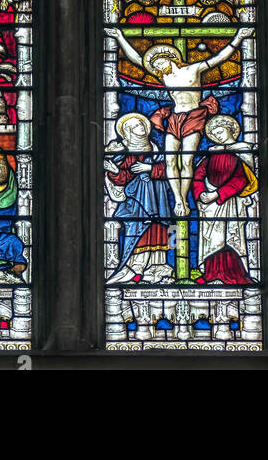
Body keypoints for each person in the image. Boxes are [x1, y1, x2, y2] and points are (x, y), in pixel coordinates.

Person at [110, 26, 252, 216]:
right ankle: (178, 199)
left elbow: (218, 58)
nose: (156, 67)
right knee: (169, 161)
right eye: (154, 66)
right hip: (175, 118)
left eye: (158, 62)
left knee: (186, 161)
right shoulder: (165, 77)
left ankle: (184, 199)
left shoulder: (194, 69)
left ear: (170, 58)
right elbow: (136, 59)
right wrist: (119, 37)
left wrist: (238, 37)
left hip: (194, 117)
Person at [104, 113, 172, 283]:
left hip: (158, 198)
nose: (141, 128)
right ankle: (136, 267)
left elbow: (169, 169)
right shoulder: (126, 153)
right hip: (137, 201)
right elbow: (124, 178)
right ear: (127, 132)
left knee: (162, 230)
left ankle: (158, 267)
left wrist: (149, 168)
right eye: (135, 126)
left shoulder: (156, 149)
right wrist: (114, 171)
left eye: (141, 124)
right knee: (137, 229)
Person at [192, 115, 257, 284]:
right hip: (209, 205)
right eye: (214, 134)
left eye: (220, 132)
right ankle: (210, 274)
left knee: (229, 236)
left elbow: (241, 179)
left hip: (230, 202)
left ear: (230, 130)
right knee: (211, 239)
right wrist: (201, 194)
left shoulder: (242, 150)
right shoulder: (211, 153)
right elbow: (198, 175)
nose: (218, 136)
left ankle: (234, 274)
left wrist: (218, 194)